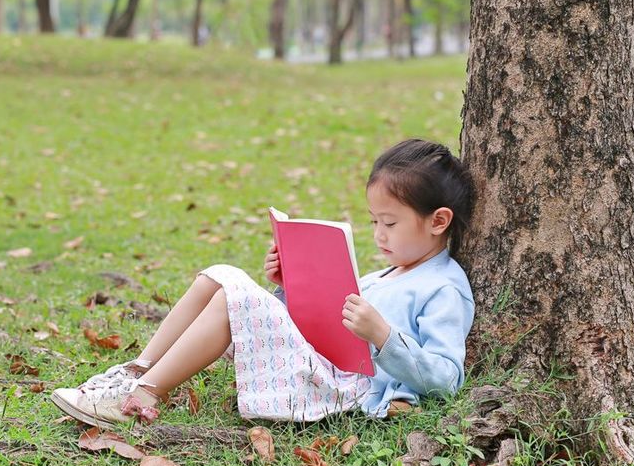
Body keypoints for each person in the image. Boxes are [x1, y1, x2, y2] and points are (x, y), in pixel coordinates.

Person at [50, 138, 476, 427]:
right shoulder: (385, 273)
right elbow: (322, 322)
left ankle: (143, 396)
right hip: (320, 362)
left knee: (231, 296)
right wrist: (290, 284)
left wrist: (382, 336)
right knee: (218, 276)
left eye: (390, 223)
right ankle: (134, 372)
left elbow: (445, 377)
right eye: (373, 222)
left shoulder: (443, 288)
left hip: (347, 388)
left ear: (438, 221)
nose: (379, 235)